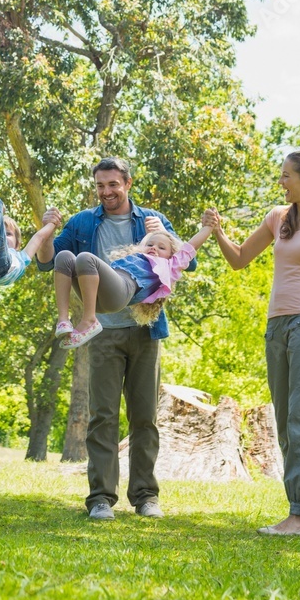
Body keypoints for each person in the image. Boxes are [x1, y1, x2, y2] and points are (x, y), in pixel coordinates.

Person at [38, 157, 196, 521]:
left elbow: (189, 260)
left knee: (144, 417)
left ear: (127, 183)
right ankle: (100, 498)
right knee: (103, 416)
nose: (107, 192)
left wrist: (167, 234)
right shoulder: (82, 223)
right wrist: (46, 230)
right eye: (100, 186)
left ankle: (145, 496)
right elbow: (49, 262)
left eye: (113, 184)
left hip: (145, 330)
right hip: (104, 331)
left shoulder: (150, 220)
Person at [203, 150, 300, 536]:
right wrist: (217, 231)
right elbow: (239, 259)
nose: (281, 182)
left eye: (286, 176)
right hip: (277, 325)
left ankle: (299, 515)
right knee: (285, 420)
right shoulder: (277, 218)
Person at [54, 223, 214, 347]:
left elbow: (190, 247)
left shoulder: (169, 266)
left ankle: (89, 320)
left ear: (171, 256)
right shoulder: (135, 257)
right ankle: (63, 320)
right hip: (98, 296)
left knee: (85, 258)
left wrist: (208, 227)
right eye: (150, 244)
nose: (154, 248)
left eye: (162, 247)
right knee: (64, 257)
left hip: (120, 294)